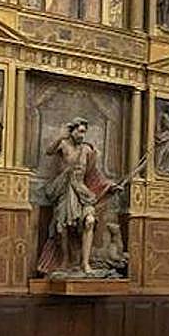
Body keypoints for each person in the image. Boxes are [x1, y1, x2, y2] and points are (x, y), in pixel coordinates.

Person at [40, 117, 119, 274]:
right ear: (73, 131)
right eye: (80, 131)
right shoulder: (63, 144)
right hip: (65, 190)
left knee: (89, 221)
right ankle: (64, 259)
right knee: (61, 227)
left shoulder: (87, 150)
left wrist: (110, 185)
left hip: (82, 191)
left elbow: (94, 174)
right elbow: (48, 151)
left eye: (84, 132)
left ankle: (85, 263)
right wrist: (61, 136)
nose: (82, 135)